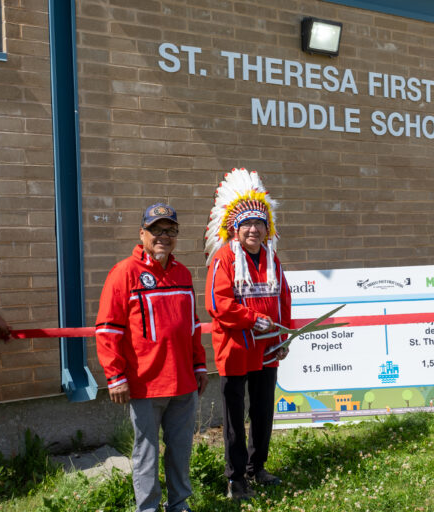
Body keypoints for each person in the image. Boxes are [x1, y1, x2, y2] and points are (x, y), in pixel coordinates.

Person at [95, 203, 208, 512]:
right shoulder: (124, 273)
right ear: (141, 233)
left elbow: (192, 326)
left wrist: (200, 365)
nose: (164, 236)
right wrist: (115, 377)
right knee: (146, 453)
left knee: (181, 449)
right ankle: (147, 508)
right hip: (145, 385)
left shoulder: (182, 273)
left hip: (183, 383)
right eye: (156, 230)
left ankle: (179, 504)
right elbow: (107, 330)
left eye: (170, 230)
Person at [204, 168, 291, 502]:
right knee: (233, 418)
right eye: (247, 224)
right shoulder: (224, 260)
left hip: (267, 351)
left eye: (259, 224)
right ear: (235, 229)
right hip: (236, 350)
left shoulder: (272, 259)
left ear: (267, 229)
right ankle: (236, 478)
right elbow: (218, 304)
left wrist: (284, 337)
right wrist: (254, 319)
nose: (253, 230)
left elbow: (284, 300)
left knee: (263, 413)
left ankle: (258, 467)